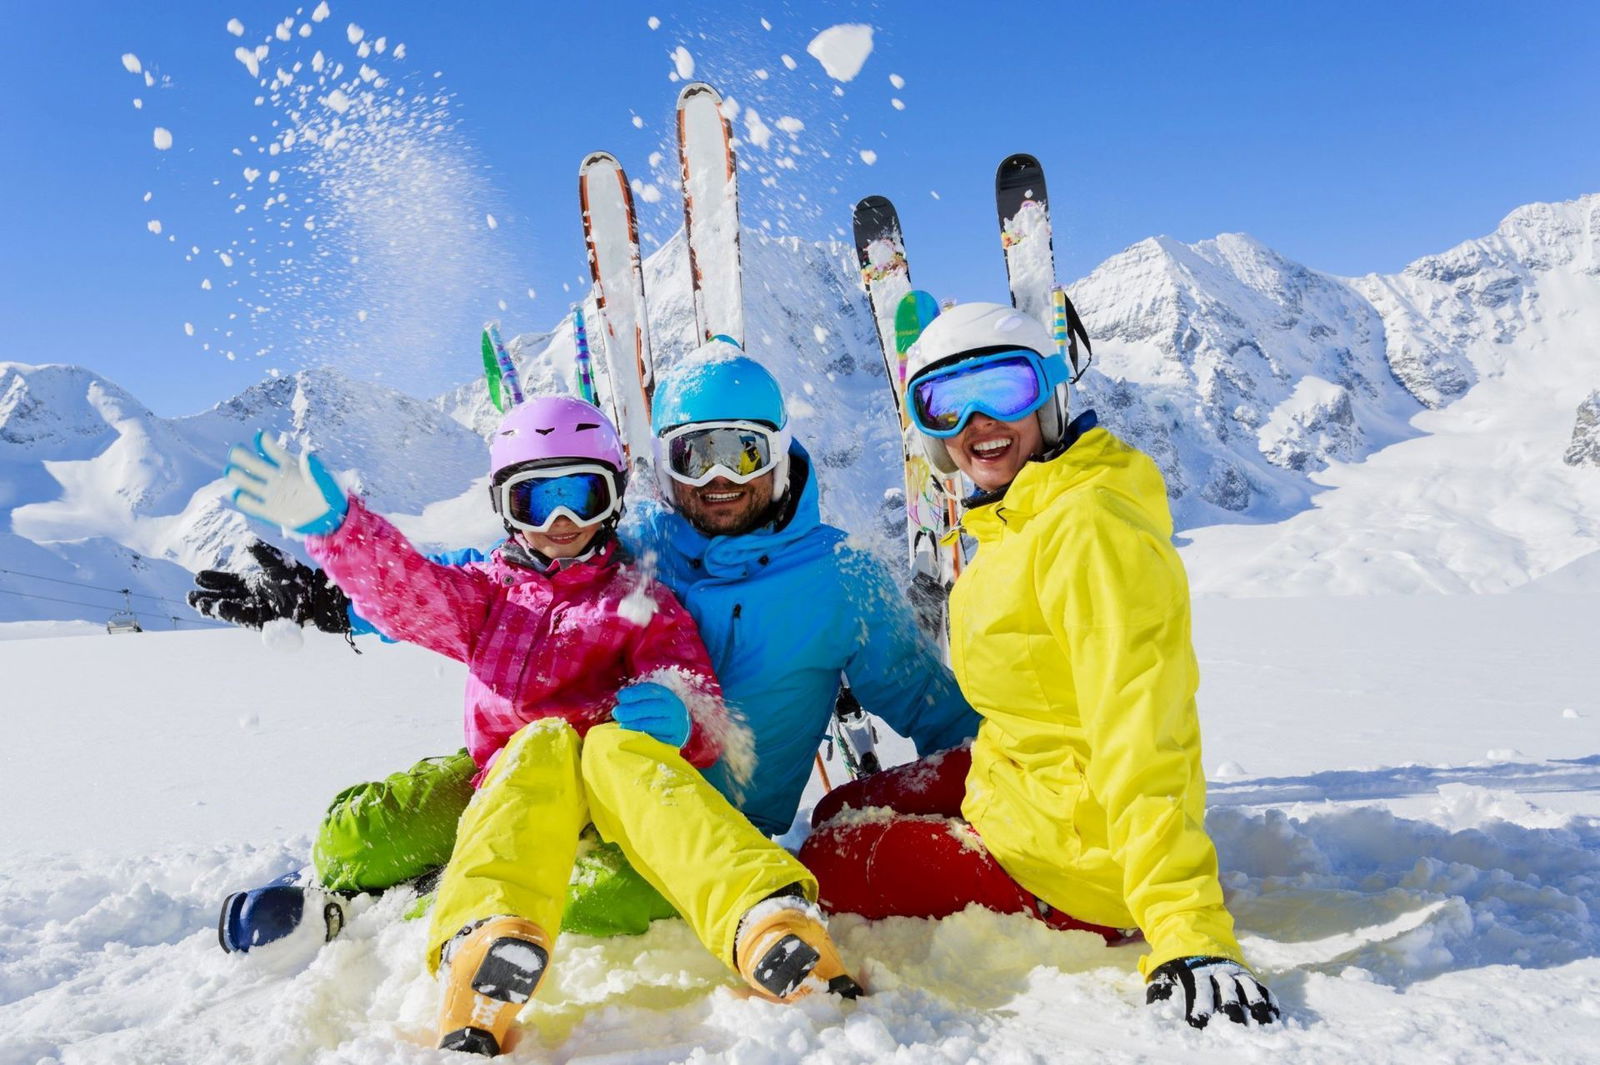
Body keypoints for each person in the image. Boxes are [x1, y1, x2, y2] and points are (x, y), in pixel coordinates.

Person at [221, 395, 859, 1056]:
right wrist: (340, 530)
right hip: (505, 786)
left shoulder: (640, 601)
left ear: (611, 499)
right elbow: (410, 595)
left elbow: (696, 696)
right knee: (379, 826)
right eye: (535, 500)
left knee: (607, 791)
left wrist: (680, 712)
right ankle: (467, 913)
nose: (560, 522)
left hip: (611, 805)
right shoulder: (486, 594)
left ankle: (763, 918)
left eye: (581, 496)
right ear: (505, 507)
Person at [799, 302, 1282, 1031]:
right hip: (1023, 780)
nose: (978, 422)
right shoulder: (1025, 509)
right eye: (946, 404)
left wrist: (1187, 925)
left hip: (1073, 860)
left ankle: (1082, 897)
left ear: (1049, 396)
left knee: (826, 859)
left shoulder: (1088, 529)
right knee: (837, 808)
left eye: (1004, 388)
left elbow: (1146, 730)